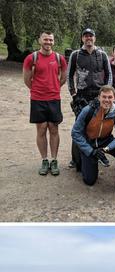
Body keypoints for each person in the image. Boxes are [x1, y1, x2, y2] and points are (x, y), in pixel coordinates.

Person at [71, 85, 115, 199]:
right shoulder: (88, 110)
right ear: (99, 97)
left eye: (110, 97)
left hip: (106, 140)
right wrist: (91, 151)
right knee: (89, 180)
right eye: (104, 97)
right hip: (89, 142)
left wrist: (107, 148)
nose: (107, 100)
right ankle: (83, 157)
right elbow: (75, 133)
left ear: (114, 98)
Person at [22, 31, 68, 176]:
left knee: (54, 129)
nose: (48, 42)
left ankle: (54, 160)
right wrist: (38, 90)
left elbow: (63, 78)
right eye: (45, 39)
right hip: (37, 99)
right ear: (40, 40)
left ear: (53, 42)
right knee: (41, 129)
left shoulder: (60, 58)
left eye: (50, 40)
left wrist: (53, 88)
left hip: (54, 98)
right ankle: (44, 160)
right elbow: (27, 79)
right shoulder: (31, 58)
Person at [67, 28, 112, 169]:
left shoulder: (102, 54)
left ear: (94, 38)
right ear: (82, 39)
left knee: (97, 126)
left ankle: (95, 154)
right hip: (81, 96)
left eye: (91, 36)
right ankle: (75, 159)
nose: (88, 38)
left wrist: (105, 94)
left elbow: (109, 74)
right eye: (86, 36)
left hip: (98, 97)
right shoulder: (75, 55)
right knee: (79, 128)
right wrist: (73, 94)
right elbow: (69, 75)